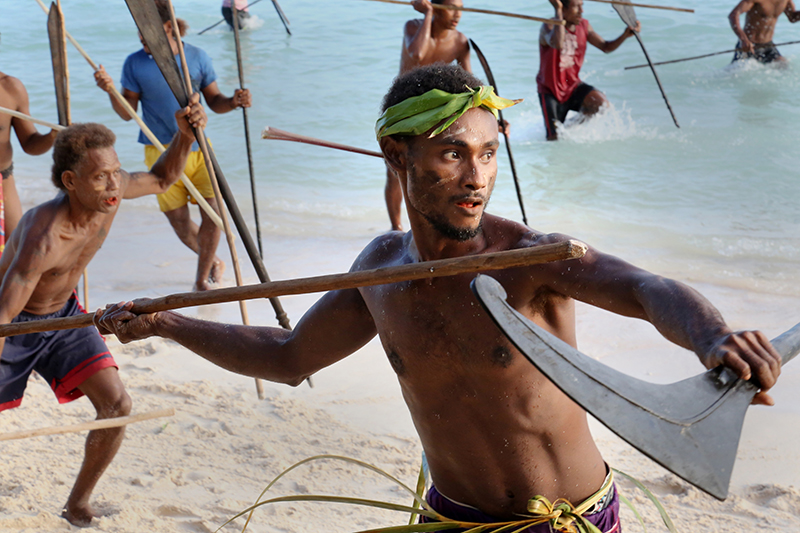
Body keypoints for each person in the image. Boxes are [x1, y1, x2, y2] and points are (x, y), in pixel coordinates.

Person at [95, 64, 782, 533]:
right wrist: (167, 322)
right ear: (397, 155)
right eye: (452, 153)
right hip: (451, 519)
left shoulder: (531, 260)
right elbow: (286, 354)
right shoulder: (380, 274)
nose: (476, 176)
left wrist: (713, 336)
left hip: (570, 520)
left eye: (486, 154)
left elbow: (644, 288)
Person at [0, 94, 206, 527]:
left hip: (66, 315)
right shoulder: (43, 235)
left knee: (117, 404)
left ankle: (77, 504)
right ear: (71, 181)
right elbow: (6, 311)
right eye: (101, 178)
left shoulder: (111, 195)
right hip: (13, 322)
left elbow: (163, 178)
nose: (114, 186)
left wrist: (183, 137)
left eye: (116, 173)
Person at [94, 0, 252, 290]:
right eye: (139, 34)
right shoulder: (135, 63)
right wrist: (110, 91)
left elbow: (215, 102)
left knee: (215, 215)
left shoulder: (198, 57)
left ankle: (201, 280)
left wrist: (234, 101)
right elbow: (125, 113)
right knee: (180, 224)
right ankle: (213, 260)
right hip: (160, 152)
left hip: (200, 148)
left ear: (168, 27)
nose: (142, 41)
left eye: (147, 33)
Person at [386, 0, 472, 232]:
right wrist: (428, 15)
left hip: (434, 113)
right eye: (452, 7)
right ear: (435, 6)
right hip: (403, 107)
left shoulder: (460, 42)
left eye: (461, 8)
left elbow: (470, 85)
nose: (457, 15)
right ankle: (396, 228)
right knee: (396, 170)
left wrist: (496, 115)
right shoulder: (413, 27)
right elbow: (417, 53)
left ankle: (431, 226)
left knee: (433, 170)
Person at [538, 0, 640, 140]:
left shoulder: (584, 25)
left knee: (600, 105)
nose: (581, 11)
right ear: (564, 9)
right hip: (550, 90)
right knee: (553, 138)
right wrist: (558, 11)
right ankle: (558, 134)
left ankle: (567, 130)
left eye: (582, 6)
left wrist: (625, 35)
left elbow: (605, 47)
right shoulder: (548, 26)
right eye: (576, 7)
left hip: (572, 86)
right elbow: (557, 43)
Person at [0, 71, 59, 255]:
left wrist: (52, 136)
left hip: (3, 181)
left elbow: (30, 144)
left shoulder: (10, 87)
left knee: (14, 253)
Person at [729, 0, 800, 64]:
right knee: (735, 74)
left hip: (768, 45)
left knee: (784, 66)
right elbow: (733, 15)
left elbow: (792, 17)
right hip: (749, 45)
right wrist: (743, 40)